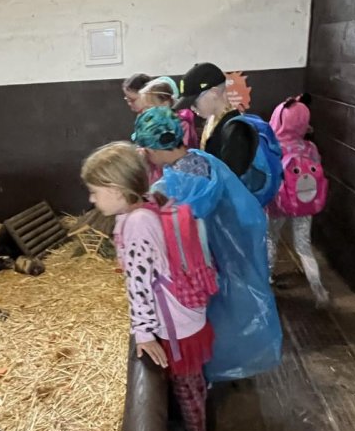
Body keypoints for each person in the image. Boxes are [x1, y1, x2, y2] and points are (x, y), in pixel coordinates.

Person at [81, 141, 215, 431]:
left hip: (176, 323)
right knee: (190, 382)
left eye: (95, 192)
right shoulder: (147, 204)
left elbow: (139, 284)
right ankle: (190, 422)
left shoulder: (137, 223)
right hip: (184, 311)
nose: (92, 199)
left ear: (116, 189)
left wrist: (143, 332)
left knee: (186, 386)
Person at [132, 107, 282, 382]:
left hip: (200, 266)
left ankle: (206, 372)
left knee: (211, 317)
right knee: (227, 313)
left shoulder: (171, 186)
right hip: (225, 256)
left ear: (152, 148)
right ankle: (218, 364)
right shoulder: (203, 159)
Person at [267, 97, 330, 306]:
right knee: (303, 246)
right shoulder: (310, 147)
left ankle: (267, 281)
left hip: (278, 203)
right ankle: (318, 288)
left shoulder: (274, 146)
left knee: (271, 239)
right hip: (304, 202)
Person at [173, 62, 257, 178]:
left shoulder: (237, 130)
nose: (192, 108)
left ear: (214, 92)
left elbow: (232, 180)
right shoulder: (212, 123)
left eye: (194, 102)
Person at [136, 76, 199, 148]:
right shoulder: (151, 124)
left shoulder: (181, 124)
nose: (145, 112)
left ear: (165, 104)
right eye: (144, 108)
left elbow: (179, 150)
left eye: (149, 108)